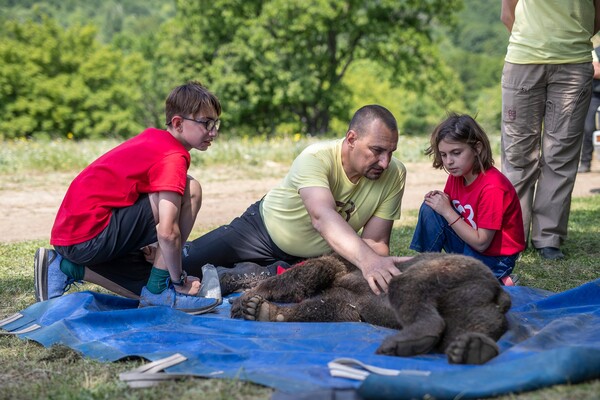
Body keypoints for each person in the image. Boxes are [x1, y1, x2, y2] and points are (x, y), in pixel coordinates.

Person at [34, 81, 223, 314]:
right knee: (191, 188)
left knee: (143, 291)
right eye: (206, 123)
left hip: (74, 238)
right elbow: (168, 231)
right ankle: (162, 289)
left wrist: (152, 246)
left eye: (215, 123)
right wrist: (179, 281)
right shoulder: (173, 156)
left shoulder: (155, 140)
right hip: (88, 236)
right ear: (178, 123)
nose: (213, 132)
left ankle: (63, 267)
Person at [182, 104, 407, 295]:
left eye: (391, 152)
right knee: (185, 263)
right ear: (351, 139)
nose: (385, 162)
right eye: (377, 150)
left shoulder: (395, 174)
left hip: (314, 257)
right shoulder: (316, 157)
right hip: (260, 231)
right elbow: (322, 216)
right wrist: (368, 261)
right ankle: (262, 271)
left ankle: (258, 272)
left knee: (305, 282)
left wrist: (376, 269)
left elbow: (375, 243)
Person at [500, 0, 600, 260]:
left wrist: (568, 42)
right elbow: (506, 14)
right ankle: (513, 236)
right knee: (518, 153)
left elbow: (597, 15)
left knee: (561, 153)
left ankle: (549, 237)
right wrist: (537, 44)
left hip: (574, 65)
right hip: (523, 61)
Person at [409, 113, 525, 285]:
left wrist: (447, 210)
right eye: (444, 154)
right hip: (467, 245)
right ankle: (424, 266)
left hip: (494, 256)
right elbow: (446, 213)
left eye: (456, 153)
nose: (449, 161)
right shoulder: (457, 175)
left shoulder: (493, 187)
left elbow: (482, 244)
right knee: (430, 209)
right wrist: (439, 201)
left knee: (461, 289)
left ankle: (497, 278)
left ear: (477, 148)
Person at [579, 43, 600, 173]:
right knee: (588, 128)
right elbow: (595, 71)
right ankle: (585, 162)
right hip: (595, 95)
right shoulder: (595, 51)